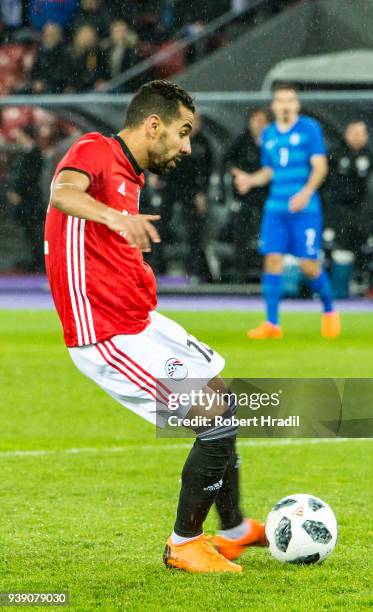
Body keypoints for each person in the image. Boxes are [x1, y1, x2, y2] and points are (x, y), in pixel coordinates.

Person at [45, 80, 265, 573]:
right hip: (106, 336)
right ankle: (184, 544)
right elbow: (62, 194)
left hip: (138, 322)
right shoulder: (95, 150)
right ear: (153, 125)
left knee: (220, 393)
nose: (187, 146)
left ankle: (232, 530)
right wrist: (112, 218)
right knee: (216, 419)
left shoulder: (131, 177)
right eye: (182, 133)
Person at [233, 83, 340, 339]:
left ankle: (329, 310)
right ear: (274, 105)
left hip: (305, 210)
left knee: (309, 265)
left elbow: (320, 167)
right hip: (276, 209)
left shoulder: (309, 129)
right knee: (271, 259)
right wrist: (250, 180)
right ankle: (272, 324)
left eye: (290, 101)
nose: (285, 105)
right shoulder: (268, 134)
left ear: (297, 105)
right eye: (280, 101)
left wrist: (305, 194)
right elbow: (270, 171)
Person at [160, 112, 213, 280]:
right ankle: (156, 268)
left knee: (195, 232)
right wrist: (158, 176)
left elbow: (207, 172)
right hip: (171, 188)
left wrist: (202, 193)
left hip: (192, 191)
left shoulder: (204, 144)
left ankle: (195, 271)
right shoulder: (172, 139)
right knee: (160, 227)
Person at [326, 121, 373, 274]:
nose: (357, 137)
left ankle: (364, 285)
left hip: (364, 213)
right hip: (337, 212)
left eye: (361, 133)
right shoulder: (334, 154)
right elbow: (327, 183)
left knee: (365, 249)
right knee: (334, 249)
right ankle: (335, 290)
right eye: (354, 133)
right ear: (346, 134)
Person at [224, 108, 269, 282]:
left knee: (269, 241)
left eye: (263, 120)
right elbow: (227, 163)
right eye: (256, 120)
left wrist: (251, 180)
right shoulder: (241, 142)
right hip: (244, 199)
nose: (259, 124)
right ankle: (240, 278)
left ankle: (267, 277)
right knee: (241, 238)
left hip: (267, 199)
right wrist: (237, 178)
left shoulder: (273, 142)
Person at [6, 125, 44, 273]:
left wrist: (19, 192)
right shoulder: (27, 153)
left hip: (30, 201)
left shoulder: (34, 153)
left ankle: (39, 263)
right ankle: (35, 261)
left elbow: (29, 177)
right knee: (30, 233)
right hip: (26, 201)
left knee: (35, 233)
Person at [31, 23, 70, 94]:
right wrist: (36, 81)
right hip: (42, 88)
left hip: (58, 88)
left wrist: (44, 83)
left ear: (58, 36)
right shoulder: (40, 52)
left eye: (52, 34)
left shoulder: (64, 53)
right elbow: (34, 72)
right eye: (47, 34)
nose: (49, 36)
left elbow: (63, 75)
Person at [67, 24, 108, 92]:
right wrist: (70, 85)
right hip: (74, 90)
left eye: (90, 36)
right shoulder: (70, 54)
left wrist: (100, 80)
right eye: (85, 36)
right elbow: (67, 73)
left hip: (92, 89)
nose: (87, 39)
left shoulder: (95, 54)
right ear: (78, 37)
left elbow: (99, 72)